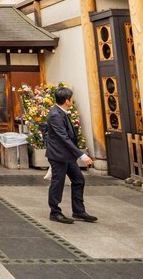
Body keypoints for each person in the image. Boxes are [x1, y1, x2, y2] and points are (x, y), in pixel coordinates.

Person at [44, 86, 96, 224]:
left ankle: (78, 211)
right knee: (58, 183)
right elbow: (63, 138)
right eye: (71, 98)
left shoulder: (62, 112)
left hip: (67, 155)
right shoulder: (55, 114)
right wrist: (82, 155)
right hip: (58, 155)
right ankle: (55, 212)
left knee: (79, 180)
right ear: (67, 100)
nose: (72, 100)